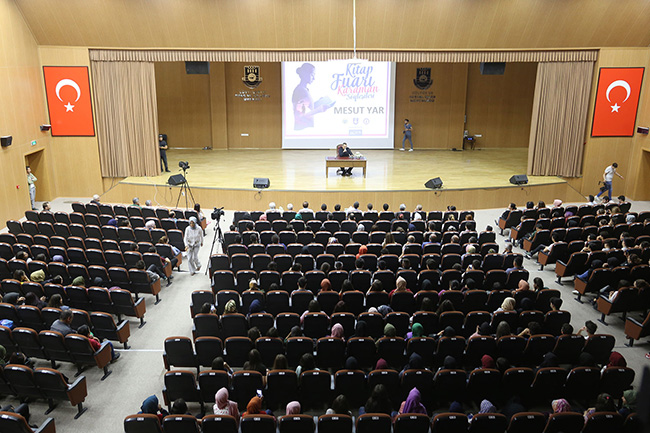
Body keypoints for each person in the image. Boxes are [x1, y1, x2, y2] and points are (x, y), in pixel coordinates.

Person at [292, 62, 334, 130]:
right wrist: (320, 109)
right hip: (302, 129)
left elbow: (306, 109)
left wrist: (319, 103)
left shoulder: (304, 89)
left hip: (305, 127)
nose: (314, 78)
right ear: (305, 74)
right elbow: (301, 115)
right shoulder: (300, 91)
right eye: (312, 75)